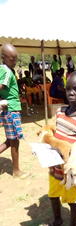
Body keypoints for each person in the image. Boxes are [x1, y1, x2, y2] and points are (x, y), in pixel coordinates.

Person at [41, 70, 76, 226]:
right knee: (53, 195)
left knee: (72, 201)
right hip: (54, 167)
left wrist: (68, 155)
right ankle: (58, 219)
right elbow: (53, 134)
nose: (71, 93)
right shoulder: (60, 112)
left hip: (69, 172)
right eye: (68, 88)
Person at [0, 44, 29, 178]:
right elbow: (1, 86)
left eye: (16, 58)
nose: (15, 61)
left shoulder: (5, 69)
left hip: (10, 108)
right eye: (12, 59)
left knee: (9, 140)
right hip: (11, 110)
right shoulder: (6, 71)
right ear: (3, 58)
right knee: (14, 141)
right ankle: (16, 171)